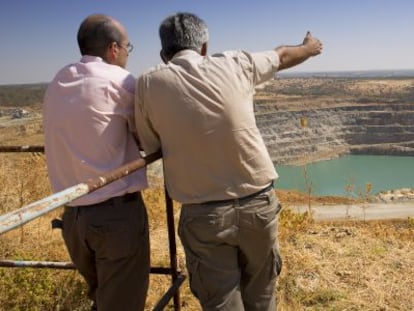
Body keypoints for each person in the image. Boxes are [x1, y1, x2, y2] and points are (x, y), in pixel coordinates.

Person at [135, 12, 323, 311]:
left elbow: (149, 143)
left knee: (220, 300)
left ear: (163, 53)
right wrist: (309, 47)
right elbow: (282, 56)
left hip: (203, 214)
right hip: (258, 205)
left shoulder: (148, 83)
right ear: (205, 47)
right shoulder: (235, 63)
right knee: (262, 294)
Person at [43, 14, 149, 311]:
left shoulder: (58, 81)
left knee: (103, 299)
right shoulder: (121, 81)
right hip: (115, 217)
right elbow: (147, 138)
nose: (128, 54)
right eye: (129, 47)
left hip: (73, 215)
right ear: (114, 48)